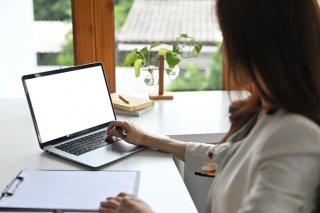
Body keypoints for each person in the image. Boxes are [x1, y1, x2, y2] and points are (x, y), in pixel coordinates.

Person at [99, 0, 320, 212]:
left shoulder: (296, 135)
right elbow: (225, 156)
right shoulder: (268, 110)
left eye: (228, 36)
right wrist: (146, 138)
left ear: (260, 44)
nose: (223, 51)